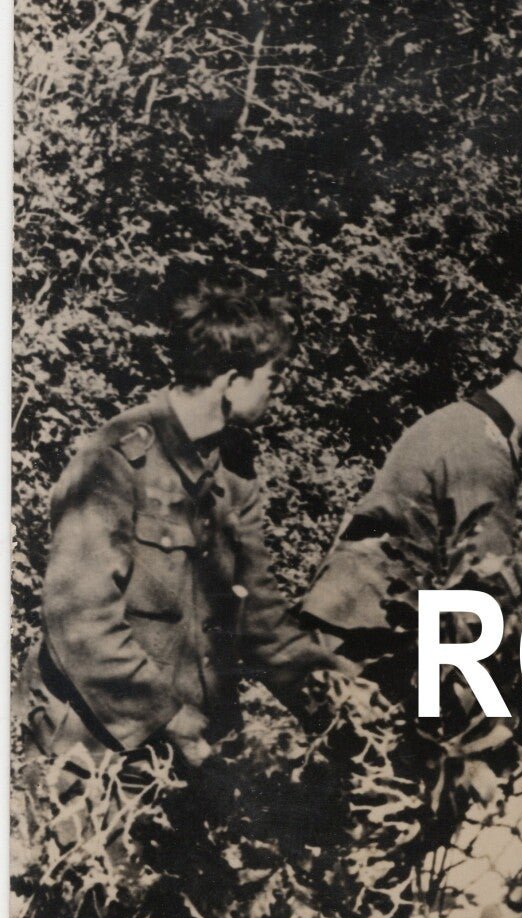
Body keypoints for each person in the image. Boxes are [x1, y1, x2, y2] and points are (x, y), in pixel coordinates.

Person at [28, 281, 349, 774]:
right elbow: (80, 621)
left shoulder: (234, 473)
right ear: (232, 381)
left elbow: (262, 622)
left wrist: (339, 694)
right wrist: (173, 720)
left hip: (184, 755)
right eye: (274, 374)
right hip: (91, 759)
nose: (281, 388)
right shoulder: (114, 460)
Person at [302, 329, 522, 646]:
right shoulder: (483, 451)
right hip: (364, 630)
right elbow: (485, 582)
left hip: (348, 611)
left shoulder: (461, 422)